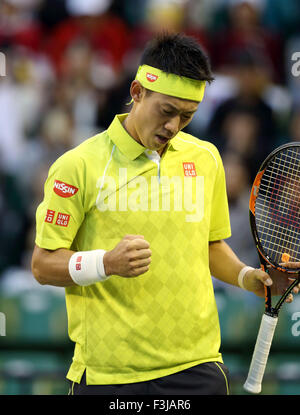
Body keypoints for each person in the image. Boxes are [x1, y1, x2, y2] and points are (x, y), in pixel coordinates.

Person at [31, 32, 299, 396]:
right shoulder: (77, 167)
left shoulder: (205, 159)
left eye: (187, 116)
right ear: (137, 91)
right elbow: (43, 265)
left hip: (197, 367)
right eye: (167, 111)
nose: (173, 126)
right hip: (111, 376)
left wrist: (245, 276)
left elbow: (208, 246)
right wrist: (105, 263)